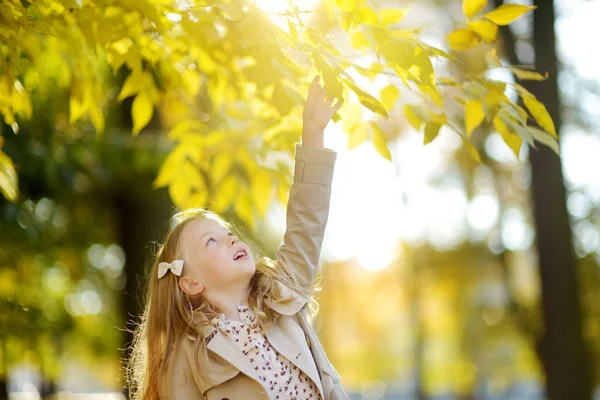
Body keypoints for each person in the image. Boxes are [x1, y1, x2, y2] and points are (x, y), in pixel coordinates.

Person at [125, 75, 349, 400]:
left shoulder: (281, 295)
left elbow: (306, 223)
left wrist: (313, 133)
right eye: (211, 242)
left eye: (227, 233)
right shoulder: (186, 359)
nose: (230, 239)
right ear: (190, 283)